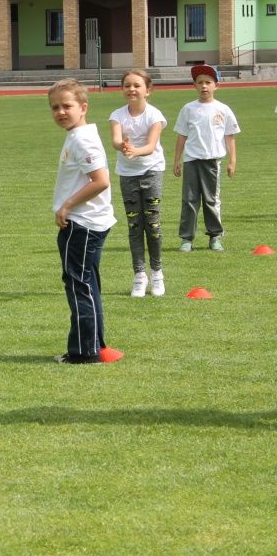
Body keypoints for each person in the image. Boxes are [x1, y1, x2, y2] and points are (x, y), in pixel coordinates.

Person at [48, 79, 122, 364]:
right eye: (55, 107)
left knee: (79, 285)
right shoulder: (77, 135)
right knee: (88, 284)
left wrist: (66, 205)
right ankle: (96, 345)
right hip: (88, 222)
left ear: (83, 107)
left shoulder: (83, 139)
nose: (61, 112)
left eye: (67, 106)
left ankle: (84, 351)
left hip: (81, 224)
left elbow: (100, 181)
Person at [108, 69, 167, 297]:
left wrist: (135, 150)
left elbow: (151, 146)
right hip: (127, 174)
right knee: (134, 226)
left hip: (151, 171)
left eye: (137, 85)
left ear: (148, 91)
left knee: (152, 224)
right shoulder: (117, 115)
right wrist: (122, 146)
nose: (131, 89)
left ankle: (157, 273)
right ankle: (139, 276)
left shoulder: (155, 115)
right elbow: (115, 140)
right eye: (127, 85)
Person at [173, 65, 240, 252]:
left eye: (208, 83)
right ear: (194, 85)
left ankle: (215, 236)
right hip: (191, 161)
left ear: (216, 85)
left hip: (212, 161)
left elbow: (230, 136)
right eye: (200, 82)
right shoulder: (188, 109)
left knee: (211, 200)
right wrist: (177, 160)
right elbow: (182, 135)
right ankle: (187, 238)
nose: (204, 86)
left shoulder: (223, 109)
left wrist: (232, 161)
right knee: (189, 200)